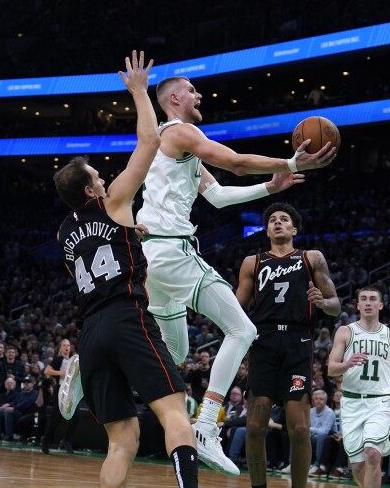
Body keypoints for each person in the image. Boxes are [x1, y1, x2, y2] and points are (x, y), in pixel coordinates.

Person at [134, 74, 337, 476]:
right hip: (171, 251)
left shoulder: (172, 145)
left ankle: (90, 371)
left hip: (152, 256)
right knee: (243, 331)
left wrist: (269, 186)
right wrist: (291, 163)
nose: (199, 95)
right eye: (192, 90)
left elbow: (217, 194)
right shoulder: (180, 131)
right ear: (174, 98)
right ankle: (206, 425)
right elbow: (235, 162)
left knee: (173, 354)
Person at [54, 51, 197, 488]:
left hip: (91, 332)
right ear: (91, 188)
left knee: (122, 440)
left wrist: (133, 232)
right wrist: (138, 92)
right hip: (126, 315)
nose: (104, 178)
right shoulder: (114, 201)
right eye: (98, 176)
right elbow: (149, 143)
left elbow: (105, 249)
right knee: (175, 412)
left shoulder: (63, 234)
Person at [234, 202, 341, 488]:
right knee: (255, 427)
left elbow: (335, 306)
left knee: (300, 429)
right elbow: (236, 308)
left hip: (297, 342)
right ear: (267, 229)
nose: (277, 222)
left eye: (283, 219)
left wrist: (322, 301)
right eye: (272, 220)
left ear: (294, 229)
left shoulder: (311, 258)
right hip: (264, 343)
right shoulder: (252, 262)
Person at [328, 286, 390, 488]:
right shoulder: (345, 331)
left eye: (372, 299)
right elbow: (331, 369)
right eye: (363, 299)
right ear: (357, 305)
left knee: (373, 454)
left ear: (380, 305)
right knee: (357, 466)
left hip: (380, 401)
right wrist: (347, 364)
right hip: (351, 401)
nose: (368, 302)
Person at [41, 339, 77, 454]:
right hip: (61, 391)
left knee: (77, 416)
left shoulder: (72, 360)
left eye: (68, 345)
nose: (67, 347)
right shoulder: (58, 359)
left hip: (70, 391)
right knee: (55, 418)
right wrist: (60, 373)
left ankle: (67, 440)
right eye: (64, 345)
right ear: (60, 348)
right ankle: (45, 441)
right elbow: (47, 371)